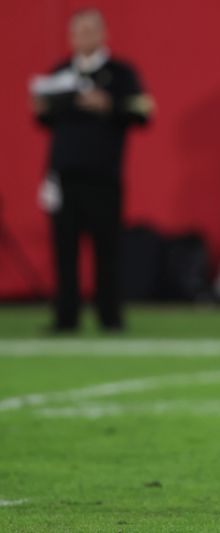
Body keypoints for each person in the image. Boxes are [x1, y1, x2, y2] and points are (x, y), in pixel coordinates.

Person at [31, 8, 152, 332]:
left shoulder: (120, 73)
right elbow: (43, 119)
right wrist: (42, 107)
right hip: (65, 174)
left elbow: (142, 112)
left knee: (106, 250)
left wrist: (109, 105)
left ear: (102, 34)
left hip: (103, 176)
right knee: (64, 251)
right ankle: (65, 316)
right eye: (77, 32)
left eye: (89, 31)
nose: (83, 38)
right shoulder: (59, 74)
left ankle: (109, 316)